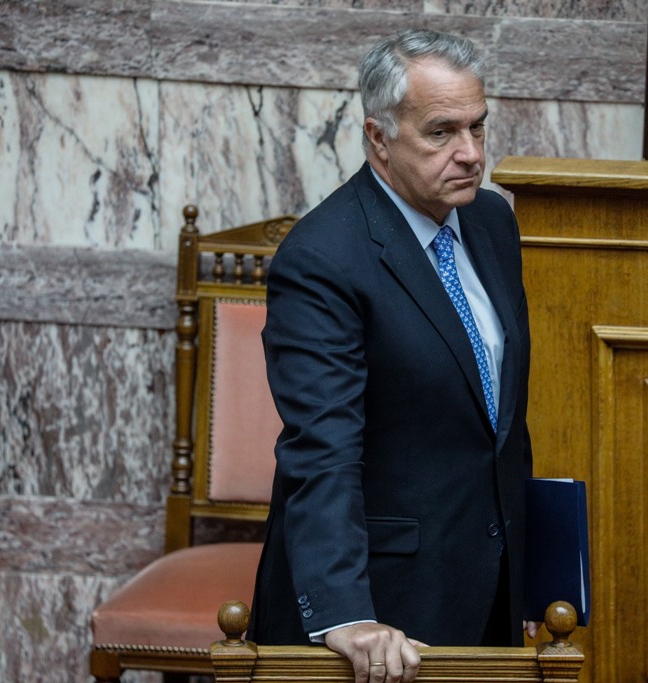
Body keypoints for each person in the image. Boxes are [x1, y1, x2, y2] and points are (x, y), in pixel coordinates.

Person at [247, 28, 534, 683]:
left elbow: (501, 422)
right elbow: (322, 449)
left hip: (489, 588)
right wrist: (347, 614)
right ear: (378, 138)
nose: (471, 153)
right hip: (383, 609)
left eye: (478, 127)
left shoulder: (492, 221)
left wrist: (527, 572)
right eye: (441, 133)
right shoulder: (320, 259)